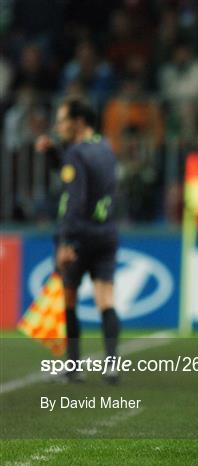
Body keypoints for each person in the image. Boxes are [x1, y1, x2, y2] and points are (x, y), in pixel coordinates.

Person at [35, 98, 120, 383]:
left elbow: (75, 197)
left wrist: (66, 241)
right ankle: (111, 365)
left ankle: (73, 367)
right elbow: (83, 177)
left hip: (79, 236)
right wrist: (54, 155)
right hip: (106, 233)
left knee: (69, 299)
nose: (58, 126)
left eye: (62, 120)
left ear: (79, 122)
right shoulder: (105, 148)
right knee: (105, 300)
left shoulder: (76, 153)